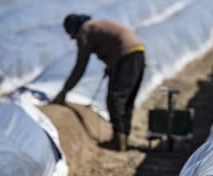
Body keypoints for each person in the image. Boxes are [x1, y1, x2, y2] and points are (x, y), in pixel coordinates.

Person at [52, 14, 145, 151]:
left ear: (73, 28)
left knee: (115, 98)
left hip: (126, 57)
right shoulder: (95, 25)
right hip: (138, 53)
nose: (72, 37)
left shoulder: (84, 31)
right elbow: (113, 43)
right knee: (127, 99)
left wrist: (65, 90)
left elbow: (80, 66)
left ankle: (118, 140)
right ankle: (123, 137)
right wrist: (111, 67)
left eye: (70, 33)